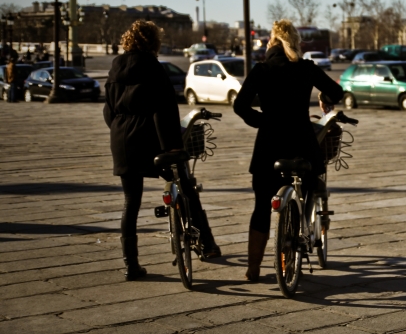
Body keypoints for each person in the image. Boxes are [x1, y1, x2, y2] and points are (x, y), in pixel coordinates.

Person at [104, 20, 220, 281]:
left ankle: (131, 266)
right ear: (153, 43)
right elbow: (164, 110)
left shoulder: (115, 67)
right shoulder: (152, 66)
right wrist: (173, 145)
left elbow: (108, 110)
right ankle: (208, 244)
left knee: (131, 201)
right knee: (186, 186)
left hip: (121, 139)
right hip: (152, 137)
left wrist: (119, 130)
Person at [234, 19, 343, 282]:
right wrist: (324, 99)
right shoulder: (306, 69)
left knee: (261, 206)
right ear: (295, 42)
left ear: (271, 43)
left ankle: (253, 268)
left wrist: (264, 121)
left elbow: (240, 106)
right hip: (302, 145)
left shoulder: (262, 69)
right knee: (306, 188)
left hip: (268, 148)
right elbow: (336, 92)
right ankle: (297, 238)